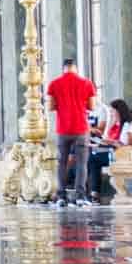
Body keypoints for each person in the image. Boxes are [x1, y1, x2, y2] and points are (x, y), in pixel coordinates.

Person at [46, 54, 96, 204]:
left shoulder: (54, 84)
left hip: (63, 129)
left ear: (63, 69)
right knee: (81, 163)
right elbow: (92, 106)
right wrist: (80, 104)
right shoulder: (86, 83)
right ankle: (80, 197)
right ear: (76, 68)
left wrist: (62, 105)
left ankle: (61, 197)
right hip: (81, 128)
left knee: (62, 163)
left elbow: (50, 106)